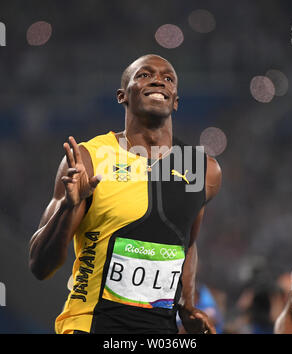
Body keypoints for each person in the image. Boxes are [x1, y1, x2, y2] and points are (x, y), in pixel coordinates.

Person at [28, 54, 222, 334]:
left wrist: (187, 304)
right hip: (90, 324)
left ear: (176, 100)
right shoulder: (89, 158)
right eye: (145, 75)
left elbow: (187, 244)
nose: (158, 80)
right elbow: (40, 266)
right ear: (122, 96)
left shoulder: (202, 169)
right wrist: (68, 208)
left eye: (168, 78)